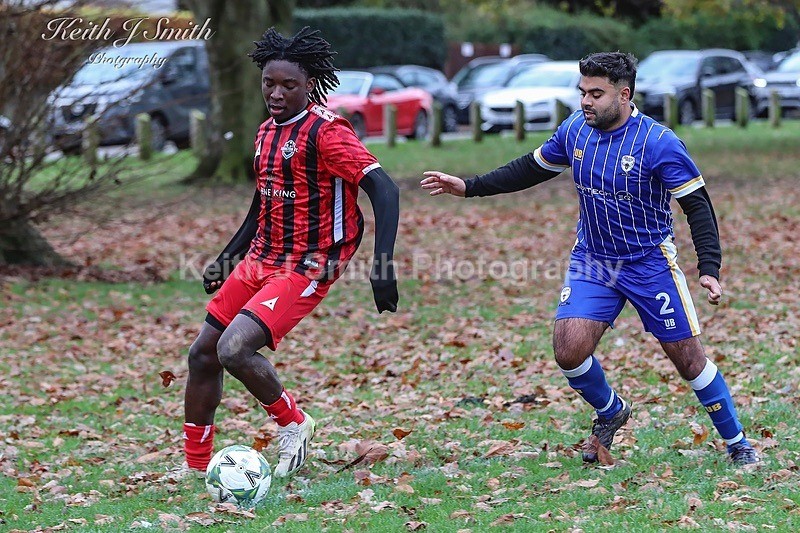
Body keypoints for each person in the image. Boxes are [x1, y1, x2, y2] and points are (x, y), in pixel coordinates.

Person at [420, 52, 758, 466]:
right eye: (582, 92)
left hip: (649, 262)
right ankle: (611, 410)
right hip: (593, 260)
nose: (586, 102)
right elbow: (531, 168)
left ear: (624, 94)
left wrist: (709, 267)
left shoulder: (658, 143)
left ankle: (738, 441)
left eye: (596, 94)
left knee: (688, 359)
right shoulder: (575, 131)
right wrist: (469, 187)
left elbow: (697, 205)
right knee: (568, 351)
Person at [182, 26, 400, 478]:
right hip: (261, 257)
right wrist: (229, 256)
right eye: (269, 83)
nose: (276, 93)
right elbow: (263, 200)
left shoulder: (327, 132)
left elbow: (384, 189)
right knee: (202, 354)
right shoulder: (265, 132)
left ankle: (294, 423)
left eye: (289, 85)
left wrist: (383, 264)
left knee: (235, 348)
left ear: (309, 85)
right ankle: (195, 467)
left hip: (309, 263)